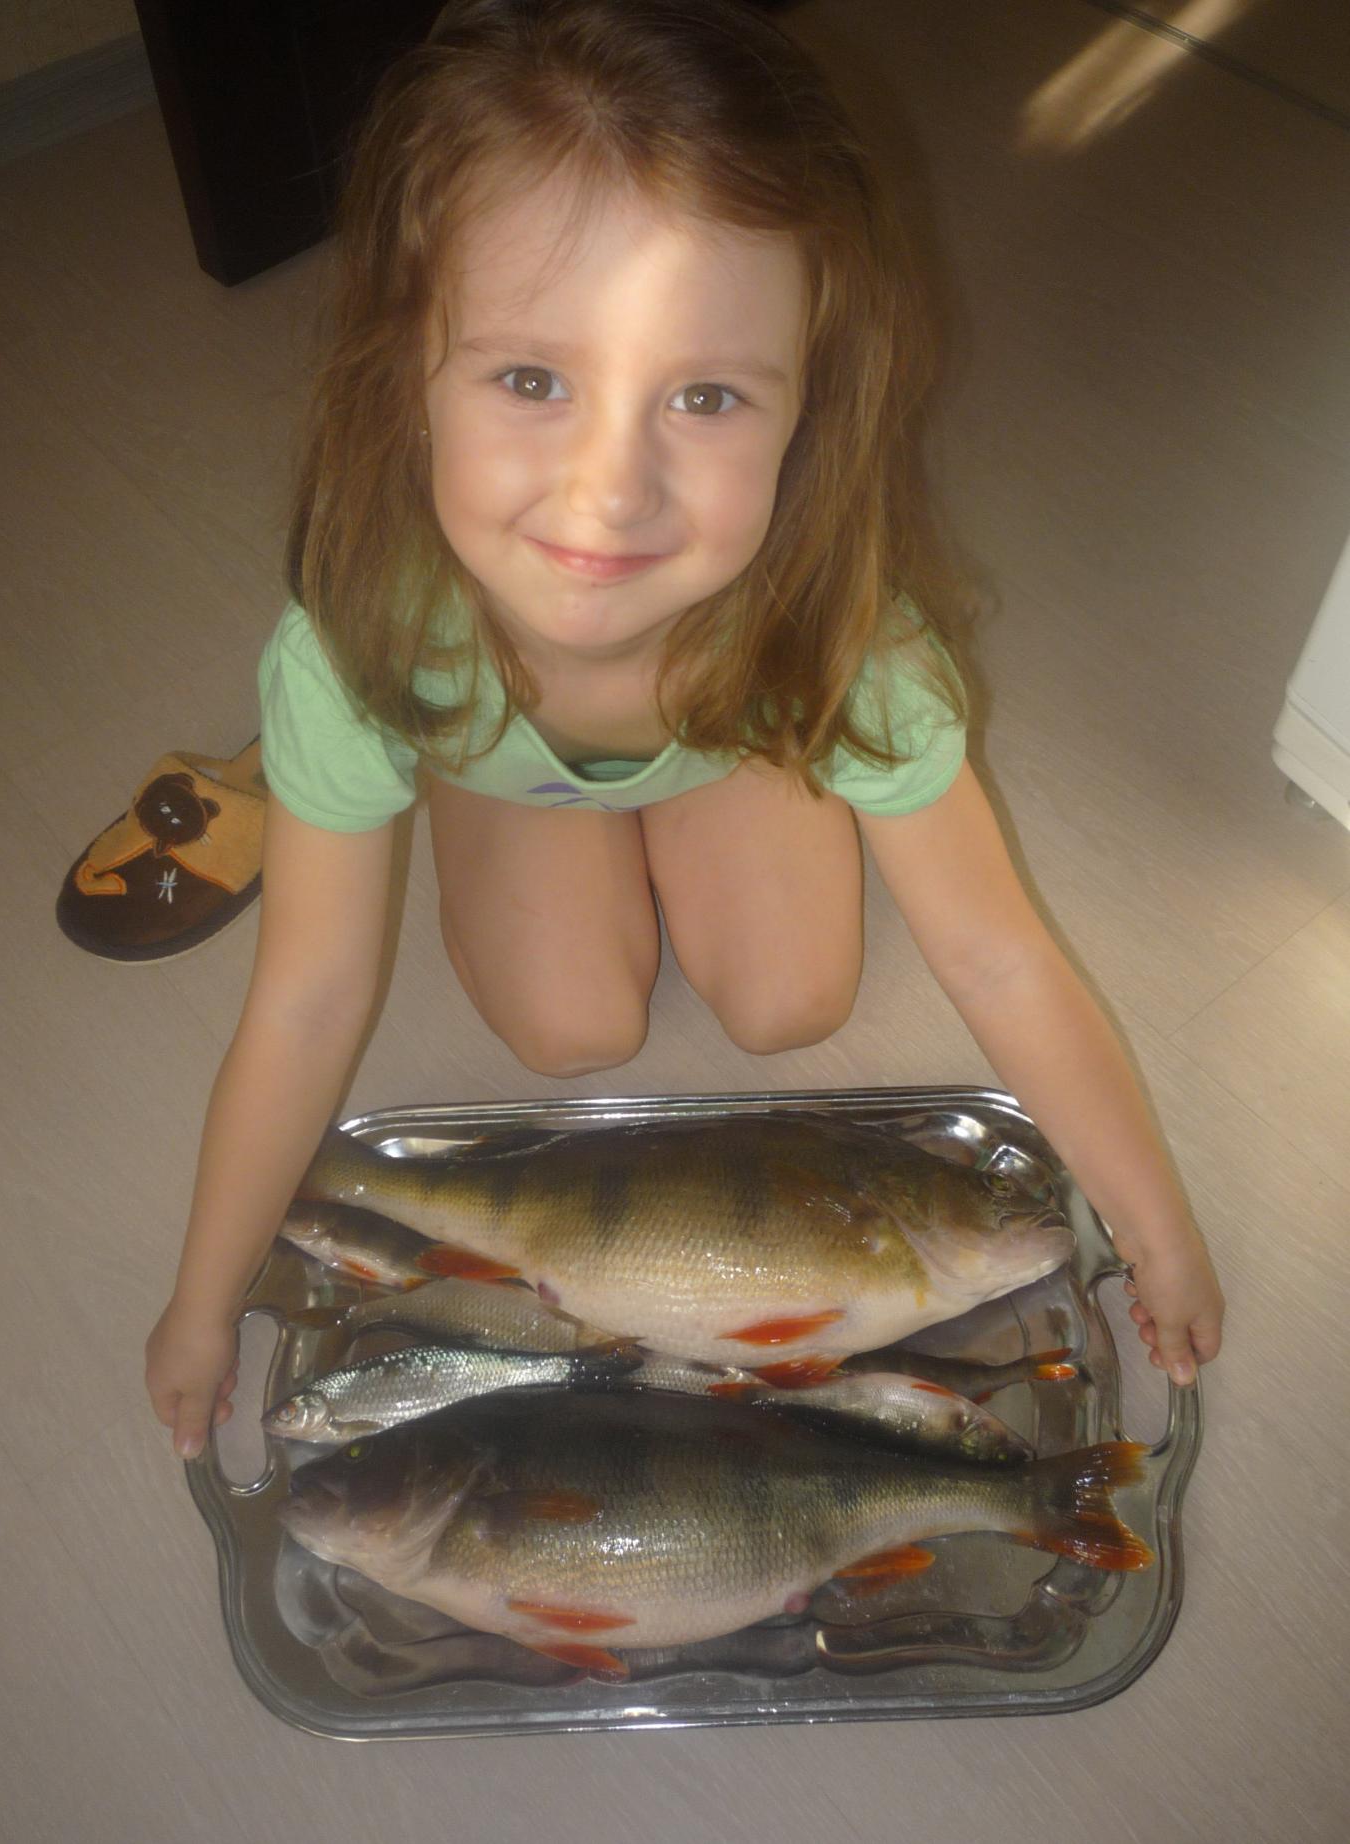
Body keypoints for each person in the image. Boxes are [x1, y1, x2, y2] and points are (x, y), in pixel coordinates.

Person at [145, 0, 1223, 1459]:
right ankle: (475, 785)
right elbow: (309, 999)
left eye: (705, 396)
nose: (610, 493)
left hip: (738, 725)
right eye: (534, 378)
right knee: (570, 1027)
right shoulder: (358, 648)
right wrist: (204, 1303)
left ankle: (692, 776)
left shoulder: (854, 640)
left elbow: (994, 951)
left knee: (795, 1002)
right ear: (411, 374)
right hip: (500, 754)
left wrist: (1155, 1232)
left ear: (807, 414)